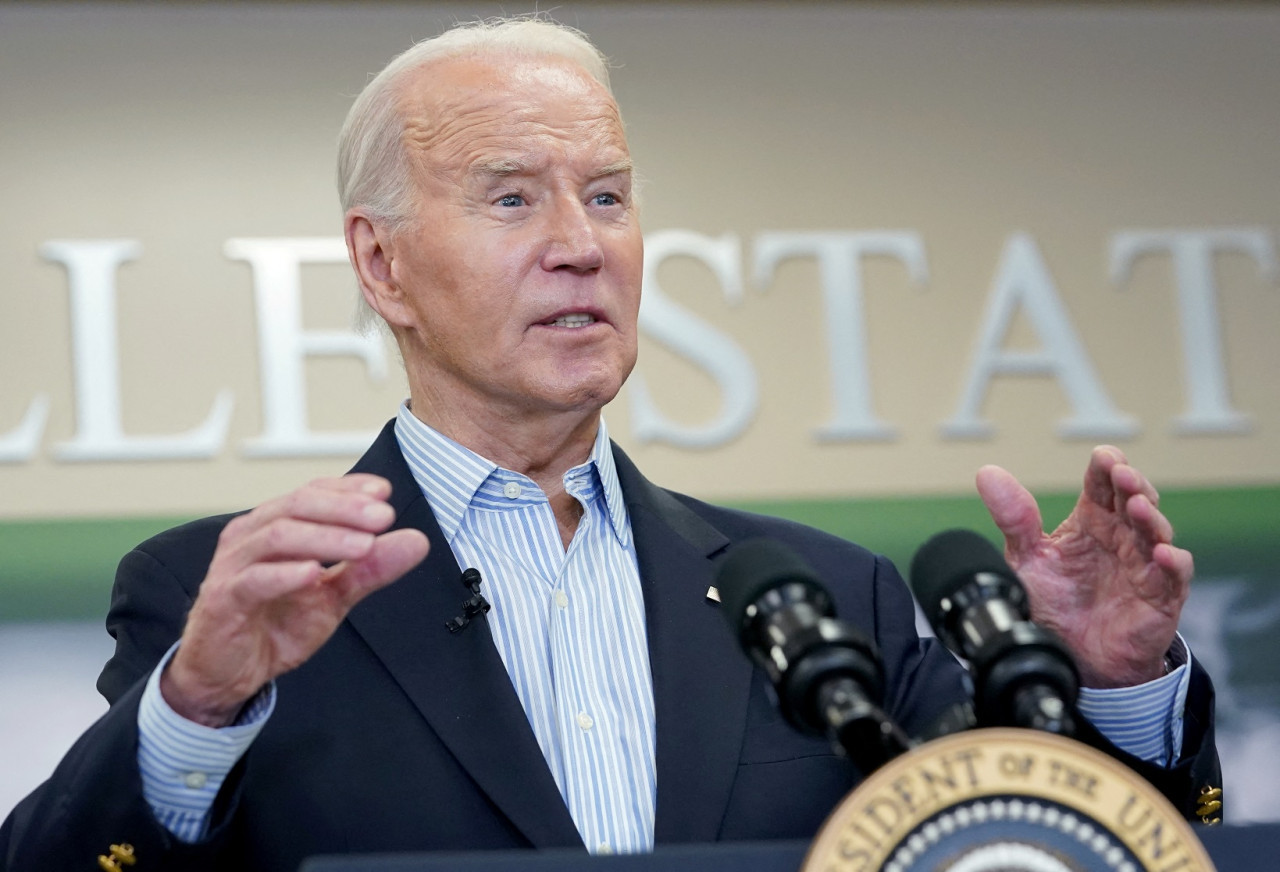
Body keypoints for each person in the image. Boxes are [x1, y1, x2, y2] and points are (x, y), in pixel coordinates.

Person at [0, 16, 1218, 872]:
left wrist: (1111, 690)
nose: (580, 242)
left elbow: (1033, 853)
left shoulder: (824, 597)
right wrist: (199, 705)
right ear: (381, 263)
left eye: (610, 193)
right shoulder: (230, 602)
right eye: (512, 195)